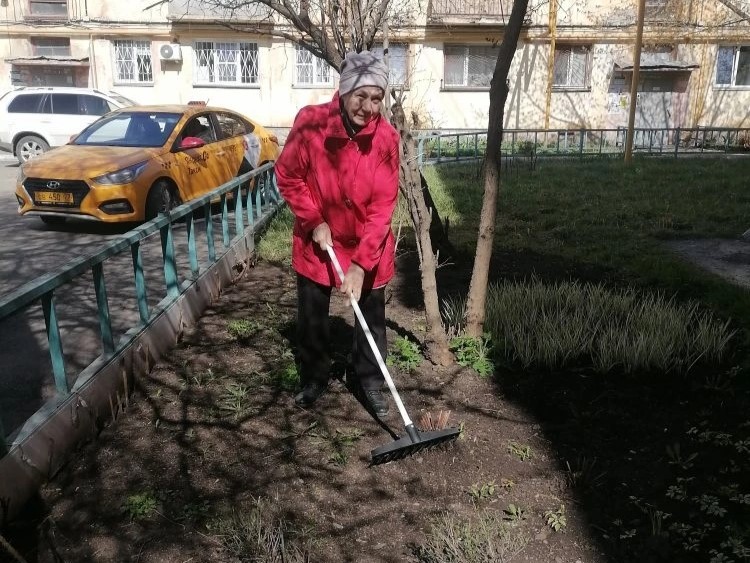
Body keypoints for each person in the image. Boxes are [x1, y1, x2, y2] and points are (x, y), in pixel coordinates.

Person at [275, 51, 400, 416]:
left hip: (367, 241)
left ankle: (369, 381)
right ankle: (315, 376)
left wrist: (361, 265)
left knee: (371, 313)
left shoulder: (386, 139)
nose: (368, 107)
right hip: (320, 238)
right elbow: (288, 175)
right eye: (361, 96)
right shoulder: (311, 124)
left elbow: (382, 207)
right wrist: (313, 220)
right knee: (312, 313)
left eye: (376, 98)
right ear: (344, 91)